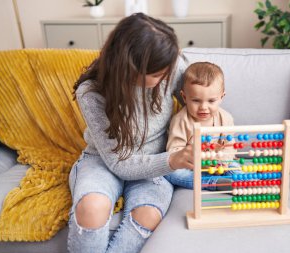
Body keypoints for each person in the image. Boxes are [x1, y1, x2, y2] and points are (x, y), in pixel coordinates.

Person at [68, 13, 192, 253]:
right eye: (156, 74)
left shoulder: (170, 66)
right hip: (103, 161)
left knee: (148, 214)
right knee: (92, 208)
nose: (166, 78)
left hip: (155, 162)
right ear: (130, 67)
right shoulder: (92, 92)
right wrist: (173, 160)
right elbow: (119, 162)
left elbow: (198, 104)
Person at [164, 62, 240, 191]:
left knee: (234, 166)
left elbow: (230, 146)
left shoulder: (225, 118)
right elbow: (174, 151)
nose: (203, 107)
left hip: (219, 165)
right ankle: (215, 183)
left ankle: (246, 182)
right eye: (196, 100)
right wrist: (197, 162)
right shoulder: (181, 121)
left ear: (221, 97)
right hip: (191, 168)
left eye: (211, 101)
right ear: (184, 97)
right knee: (170, 173)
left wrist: (223, 162)